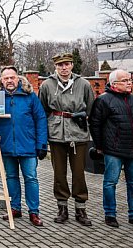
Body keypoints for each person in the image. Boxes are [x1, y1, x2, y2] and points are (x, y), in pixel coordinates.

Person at [90, 69, 133, 230]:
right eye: (125, 80)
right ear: (114, 84)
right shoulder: (103, 100)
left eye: (129, 80)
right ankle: (110, 214)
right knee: (110, 183)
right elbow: (95, 125)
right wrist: (99, 146)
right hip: (113, 150)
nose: (129, 82)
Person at [38, 52, 95, 226]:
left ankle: (81, 208)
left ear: (72, 65)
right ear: (55, 67)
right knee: (59, 174)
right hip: (57, 134)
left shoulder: (83, 84)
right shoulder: (47, 85)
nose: (63, 68)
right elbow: (43, 110)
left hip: (78, 133)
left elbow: (91, 108)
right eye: (60, 65)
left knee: (79, 173)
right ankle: (62, 207)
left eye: (67, 64)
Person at [0, 66, 48, 226]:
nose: (9, 80)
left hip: (28, 145)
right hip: (6, 145)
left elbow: (41, 119)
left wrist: (42, 143)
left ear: (18, 78)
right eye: (6, 78)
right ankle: (15, 208)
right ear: (1, 80)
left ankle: (34, 212)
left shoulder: (29, 96)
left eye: (12, 77)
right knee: (11, 178)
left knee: (31, 178)